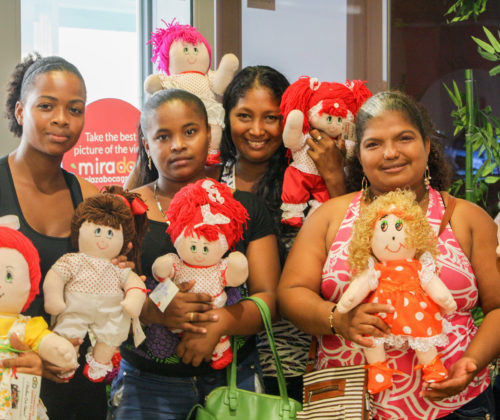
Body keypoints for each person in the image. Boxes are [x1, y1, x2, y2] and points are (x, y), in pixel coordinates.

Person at [278, 90, 500, 419]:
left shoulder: (467, 218)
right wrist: (337, 319)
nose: (390, 153)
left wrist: (472, 362)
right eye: (374, 144)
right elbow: (290, 294)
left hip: (455, 405)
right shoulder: (330, 216)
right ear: (360, 155)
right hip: (352, 405)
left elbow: (497, 307)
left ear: (426, 146)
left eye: (404, 138)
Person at [111, 88, 280, 419]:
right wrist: (155, 308)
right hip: (147, 385)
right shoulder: (124, 211)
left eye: (190, 131)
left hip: (234, 381)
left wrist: (219, 323)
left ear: (209, 134)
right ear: (146, 146)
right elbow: (100, 294)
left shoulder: (247, 208)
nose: (178, 144)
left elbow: (269, 300)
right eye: (162, 136)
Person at [217, 65, 348, 402]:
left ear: (290, 118)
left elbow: (348, 243)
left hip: (298, 359)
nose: (257, 130)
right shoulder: (213, 179)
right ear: (227, 117)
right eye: (244, 116)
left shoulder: (308, 181)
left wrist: (333, 177)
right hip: (223, 358)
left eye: (271, 117)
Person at [1, 53, 108, 419]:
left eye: (75, 109)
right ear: (19, 111)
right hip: (10, 383)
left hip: (74, 385)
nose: (62, 119)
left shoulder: (92, 198)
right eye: (47, 106)